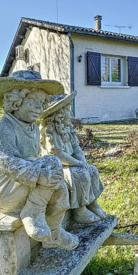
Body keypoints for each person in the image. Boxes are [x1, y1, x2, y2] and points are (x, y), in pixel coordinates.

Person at [0, 70, 78, 250]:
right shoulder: (5, 127)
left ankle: (54, 233)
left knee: (59, 183)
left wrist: (44, 175)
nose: (39, 107)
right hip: (8, 189)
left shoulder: (33, 128)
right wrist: (39, 174)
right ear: (15, 102)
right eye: (33, 101)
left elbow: (35, 159)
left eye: (42, 103)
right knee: (52, 164)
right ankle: (32, 212)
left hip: (29, 183)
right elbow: (6, 161)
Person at [40, 92, 106, 224]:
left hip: (70, 162)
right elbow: (57, 154)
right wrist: (77, 164)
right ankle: (80, 211)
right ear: (59, 114)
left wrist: (81, 161)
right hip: (56, 166)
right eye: (68, 110)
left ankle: (92, 203)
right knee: (79, 175)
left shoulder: (67, 127)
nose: (71, 114)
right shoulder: (50, 130)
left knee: (92, 170)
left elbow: (76, 147)